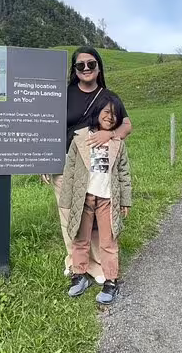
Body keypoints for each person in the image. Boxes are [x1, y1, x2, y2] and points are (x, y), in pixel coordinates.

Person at [41, 46, 132, 284]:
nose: (86, 69)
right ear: (74, 70)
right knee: (70, 214)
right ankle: (75, 262)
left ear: (98, 66)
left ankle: (97, 263)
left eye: (91, 64)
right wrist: (44, 159)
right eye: (80, 65)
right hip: (66, 165)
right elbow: (50, 126)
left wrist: (110, 136)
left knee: (92, 220)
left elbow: (126, 125)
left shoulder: (108, 97)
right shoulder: (64, 94)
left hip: (97, 168)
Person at [59, 94, 132, 304]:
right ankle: (79, 276)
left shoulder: (117, 142)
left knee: (108, 242)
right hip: (84, 199)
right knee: (80, 239)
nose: (110, 117)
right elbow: (70, 169)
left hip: (108, 200)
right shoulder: (80, 138)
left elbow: (124, 172)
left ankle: (111, 281)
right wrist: (67, 200)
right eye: (106, 111)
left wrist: (125, 200)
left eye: (115, 114)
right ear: (97, 111)